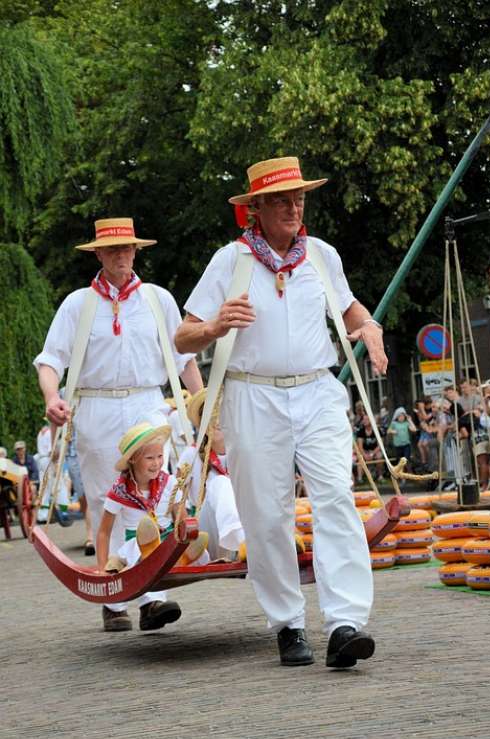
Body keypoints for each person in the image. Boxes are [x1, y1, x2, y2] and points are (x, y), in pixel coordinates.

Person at [175, 156, 388, 669]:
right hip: (253, 395)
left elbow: (350, 307)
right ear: (257, 209)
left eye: (299, 199)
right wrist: (214, 327)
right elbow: (183, 335)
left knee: (336, 497)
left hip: (317, 390)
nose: (294, 208)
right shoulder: (231, 261)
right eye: (282, 201)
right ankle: (289, 624)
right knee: (266, 514)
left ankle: (344, 623)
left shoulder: (321, 255)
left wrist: (370, 327)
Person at [34, 217, 203, 631]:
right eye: (112, 249)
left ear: (136, 250)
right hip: (97, 408)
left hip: (148, 403)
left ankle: (152, 597)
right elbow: (51, 359)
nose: (121, 255)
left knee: (154, 494)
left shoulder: (157, 298)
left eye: (127, 248)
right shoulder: (78, 304)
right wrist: (52, 397)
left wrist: (201, 406)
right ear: (97, 253)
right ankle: (112, 598)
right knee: (105, 499)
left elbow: (183, 358)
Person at [96, 422, 182, 631]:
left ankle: (151, 607)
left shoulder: (169, 483)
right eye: (150, 458)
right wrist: (101, 570)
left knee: (181, 547)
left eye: (160, 456)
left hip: (166, 543)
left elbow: (181, 519)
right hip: (135, 546)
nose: (157, 463)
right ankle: (148, 605)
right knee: (143, 549)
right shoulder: (120, 491)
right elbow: (104, 532)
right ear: (133, 459)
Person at [178, 388, 245, 561]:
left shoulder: (242, 452)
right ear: (201, 424)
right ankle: (243, 543)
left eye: (221, 415)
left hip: (245, 521)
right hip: (205, 533)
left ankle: (243, 544)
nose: (216, 422)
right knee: (220, 483)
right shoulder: (191, 455)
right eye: (210, 416)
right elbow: (177, 500)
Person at [356, 414, 385, 484]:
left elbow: (380, 445)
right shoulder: (361, 431)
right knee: (360, 458)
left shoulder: (377, 430)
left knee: (379, 456)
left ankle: (380, 476)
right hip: (365, 451)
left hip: (375, 451)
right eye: (364, 419)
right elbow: (360, 447)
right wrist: (365, 455)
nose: (364, 421)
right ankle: (360, 478)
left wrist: (372, 454)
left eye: (367, 419)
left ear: (371, 421)